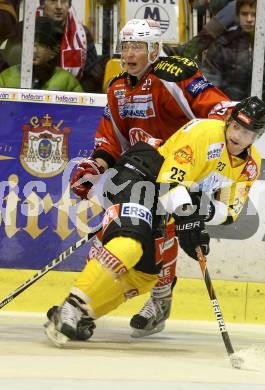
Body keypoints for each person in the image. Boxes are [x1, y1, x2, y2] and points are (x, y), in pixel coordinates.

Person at [46, 18, 231, 340]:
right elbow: (111, 139)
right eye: (126, 46)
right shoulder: (117, 87)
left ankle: (159, 299)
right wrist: (96, 166)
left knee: (162, 234)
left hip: (182, 171)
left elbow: (220, 111)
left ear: (155, 49)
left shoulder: (175, 76)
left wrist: (195, 151)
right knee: (125, 235)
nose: (130, 53)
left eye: (138, 46)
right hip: (141, 171)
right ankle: (91, 306)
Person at [44, 96, 265, 346]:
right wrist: (188, 217)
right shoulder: (205, 131)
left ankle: (85, 313)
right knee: (130, 245)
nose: (238, 135)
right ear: (229, 121)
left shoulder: (250, 166)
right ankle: (71, 307)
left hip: (166, 200)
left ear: (257, 136)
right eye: (236, 126)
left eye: (247, 132)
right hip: (141, 174)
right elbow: (169, 181)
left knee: (144, 276)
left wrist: (197, 214)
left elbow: (229, 211)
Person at [2, 0, 105, 92]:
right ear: (42, 4)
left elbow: (93, 75)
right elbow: (9, 67)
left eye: (64, 1)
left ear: (69, 5)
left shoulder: (83, 35)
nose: (59, 6)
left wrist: (73, 96)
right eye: (53, 1)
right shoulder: (25, 29)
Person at [201, 0, 265, 104]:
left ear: (264, 16)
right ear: (237, 15)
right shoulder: (222, 45)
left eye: (254, 14)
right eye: (244, 14)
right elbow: (210, 82)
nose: (249, 19)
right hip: (228, 111)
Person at [0, 16, 83, 91]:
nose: (34, 51)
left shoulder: (67, 81)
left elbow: (80, 106)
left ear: (53, 53)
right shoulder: (6, 78)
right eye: (29, 44)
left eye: (41, 45)